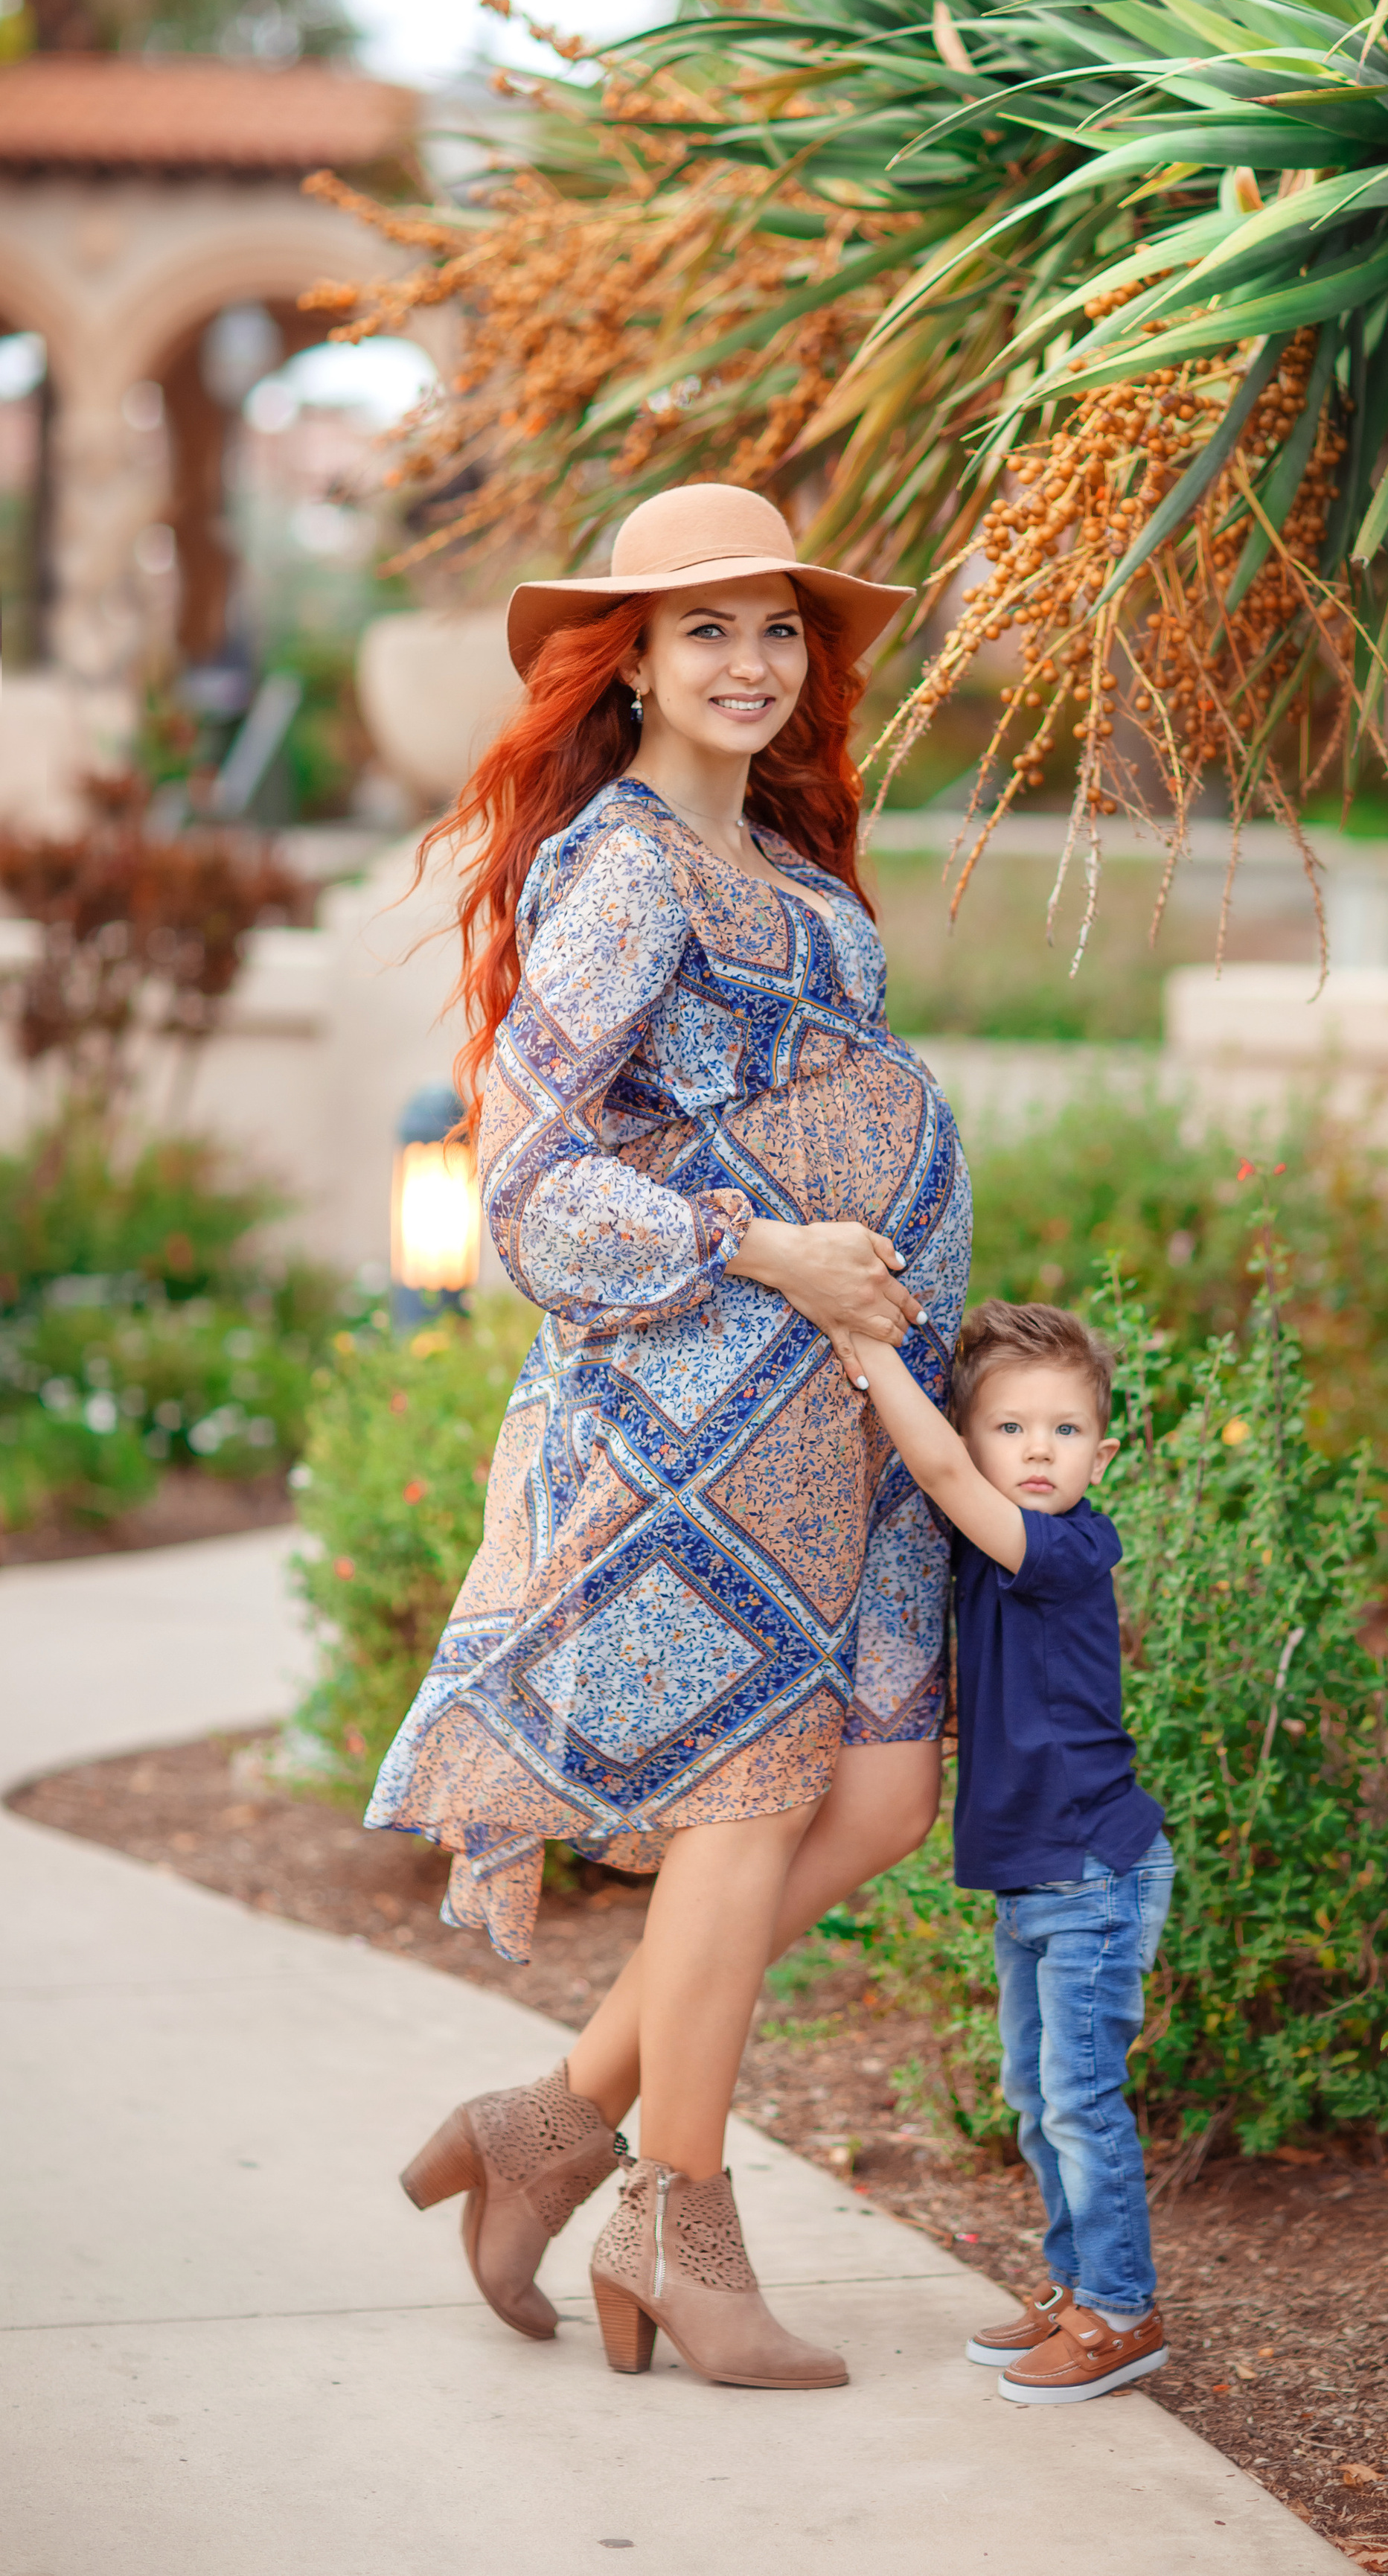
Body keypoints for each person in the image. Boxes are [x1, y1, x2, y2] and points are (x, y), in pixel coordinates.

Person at [369, 484, 971, 2391]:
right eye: (703, 627)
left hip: (856, 1403)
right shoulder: (625, 867)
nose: (748, 661)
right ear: (624, 658)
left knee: (876, 1799)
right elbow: (532, 1181)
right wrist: (769, 1247)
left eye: (776, 627)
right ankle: (676, 2225)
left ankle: (553, 2120)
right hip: (704, 1409)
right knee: (746, 1800)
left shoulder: (784, 861)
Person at [842, 1297, 1174, 2406]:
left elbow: (938, 1473)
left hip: (1090, 1869)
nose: (1039, 1450)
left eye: (1066, 1431)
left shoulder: (1069, 1547)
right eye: (1011, 1429)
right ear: (979, 1432)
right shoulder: (995, 1553)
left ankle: (1123, 2313)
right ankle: (1078, 2289)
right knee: (1037, 2097)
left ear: (1103, 1451)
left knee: (1081, 2097)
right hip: (1038, 1877)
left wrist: (863, 1345)